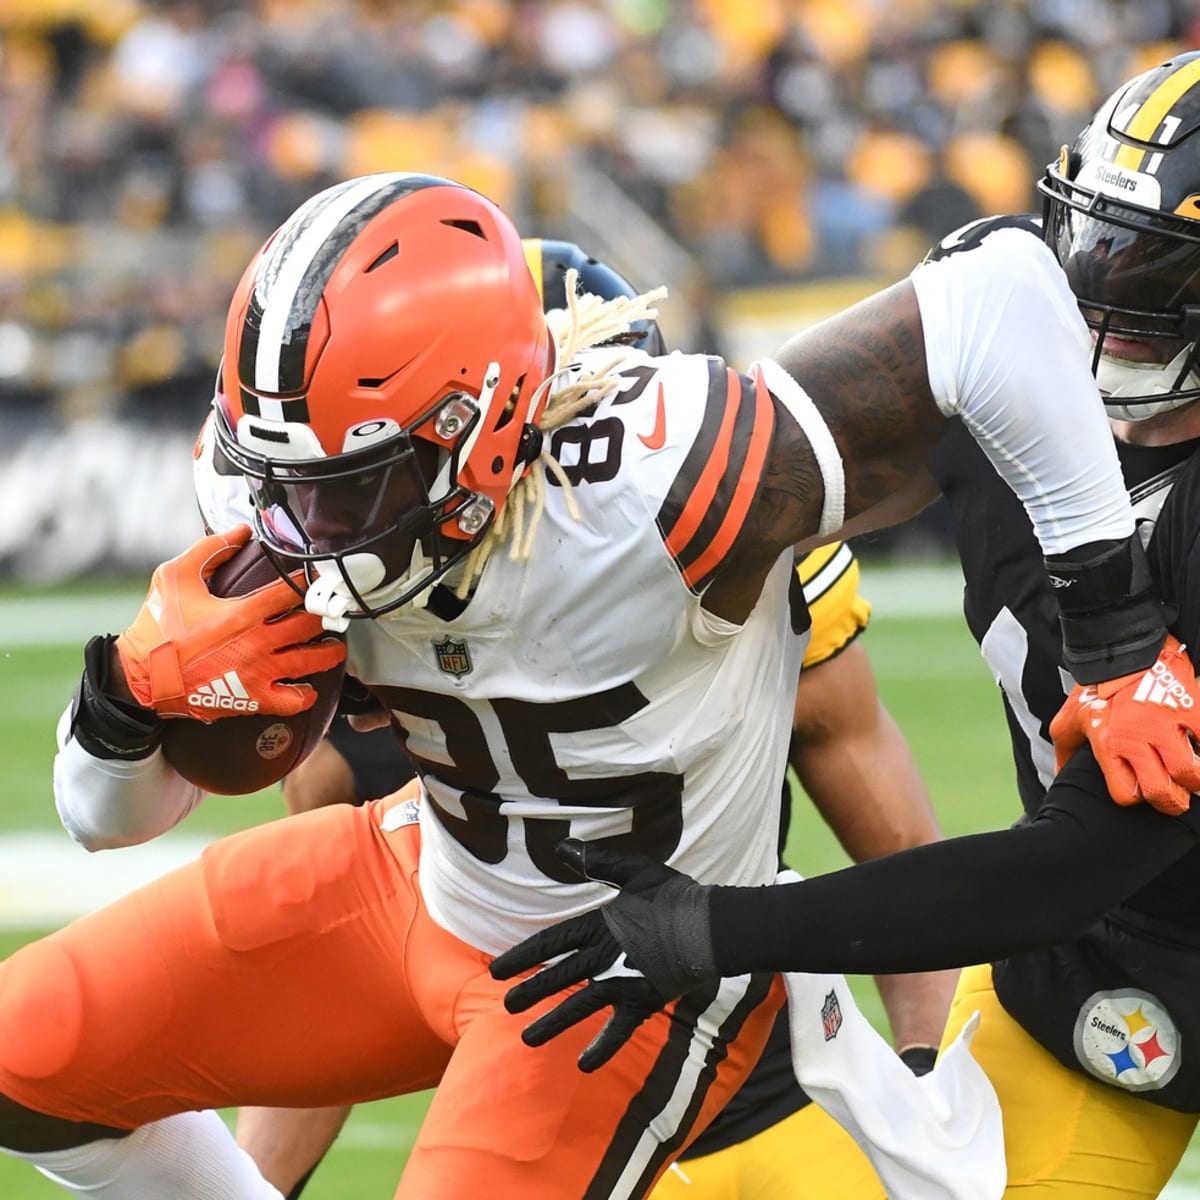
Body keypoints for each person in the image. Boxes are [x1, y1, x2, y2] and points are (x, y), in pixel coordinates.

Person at [0, 165, 1196, 1200]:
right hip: (423, 877)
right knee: (24, 1062)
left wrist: (1116, 635)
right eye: (280, 481)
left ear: (487, 426)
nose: (301, 529)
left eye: (348, 488)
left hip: (617, 975)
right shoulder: (289, 488)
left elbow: (1001, 296)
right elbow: (109, 821)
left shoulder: (657, 476)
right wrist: (125, 703)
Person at [492, 53, 1200, 1199]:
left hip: (1088, 899)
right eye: (1094, 241)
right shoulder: (1021, 369)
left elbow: (1071, 862)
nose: (1103, 289)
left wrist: (723, 930)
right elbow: (759, 497)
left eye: (1156, 268)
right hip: (1087, 982)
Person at [233, 241, 956, 1200]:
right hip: (541, 1109)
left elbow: (899, 851)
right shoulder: (356, 640)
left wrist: (923, 1071)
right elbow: (337, 987)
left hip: (756, 1089)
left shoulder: (741, 577)